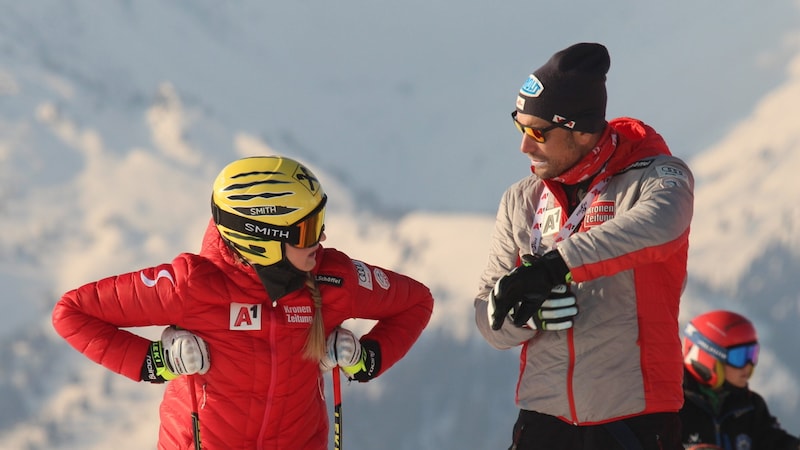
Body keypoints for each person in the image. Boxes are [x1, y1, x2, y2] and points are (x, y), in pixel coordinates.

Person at [52, 155, 434, 449]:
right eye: (307, 230)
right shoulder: (192, 286)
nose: (320, 240)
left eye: (320, 223)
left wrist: (365, 358)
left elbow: (416, 302)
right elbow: (72, 313)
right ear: (260, 238)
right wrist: (155, 362)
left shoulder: (333, 280)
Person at [473, 42, 694, 449]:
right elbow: (488, 320)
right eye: (519, 127)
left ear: (582, 130)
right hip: (542, 419)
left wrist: (557, 263)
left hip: (634, 419)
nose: (525, 145)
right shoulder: (521, 200)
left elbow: (663, 224)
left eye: (537, 131)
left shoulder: (655, 175)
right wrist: (526, 316)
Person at [680, 310, 800, 450]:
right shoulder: (673, 407)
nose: (748, 366)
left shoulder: (750, 406)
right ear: (707, 358)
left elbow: (775, 441)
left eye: (752, 354)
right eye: (739, 357)